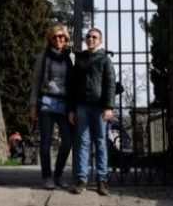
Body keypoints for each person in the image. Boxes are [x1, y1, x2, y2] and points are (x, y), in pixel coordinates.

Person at [67, 27, 115, 196]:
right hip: (81, 107)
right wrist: (71, 109)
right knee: (82, 143)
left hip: (100, 108)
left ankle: (101, 180)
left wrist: (109, 107)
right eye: (88, 36)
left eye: (94, 37)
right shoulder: (79, 60)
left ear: (100, 41)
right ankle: (81, 179)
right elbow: (72, 86)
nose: (91, 39)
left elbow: (110, 85)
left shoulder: (105, 61)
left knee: (101, 143)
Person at [29, 24, 74, 190]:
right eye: (55, 37)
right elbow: (36, 82)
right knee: (46, 142)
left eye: (61, 36)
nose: (58, 39)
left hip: (64, 104)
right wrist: (33, 105)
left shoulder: (71, 58)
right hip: (46, 102)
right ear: (50, 38)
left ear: (66, 38)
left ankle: (59, 174)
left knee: (67, 141)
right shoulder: (43, 56)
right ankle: (47, 177)